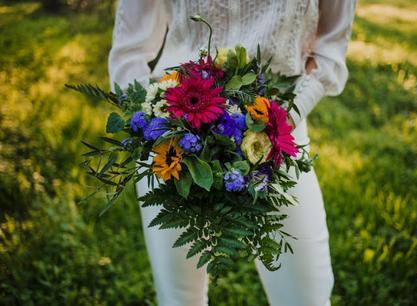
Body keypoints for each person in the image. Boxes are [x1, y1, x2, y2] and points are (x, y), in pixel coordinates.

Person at [108, 1, 356, 305]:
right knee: (178, 299)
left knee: (305, 296)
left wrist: (283, 119)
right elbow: (128, 52)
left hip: (278, 135)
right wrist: (153, 122)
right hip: (175, 140)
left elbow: (329, 51)